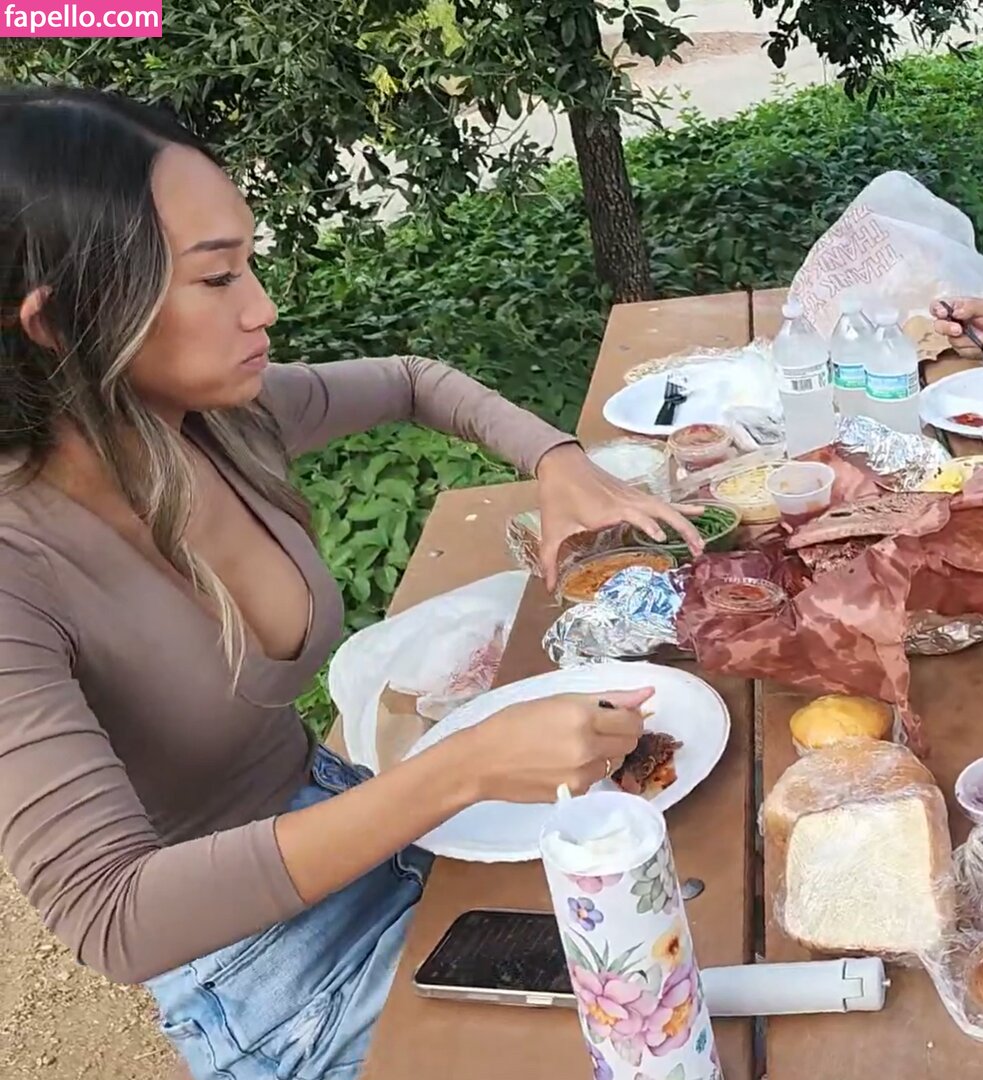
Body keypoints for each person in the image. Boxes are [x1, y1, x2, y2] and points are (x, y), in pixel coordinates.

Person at [0, 85, 703, 1080]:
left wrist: (557, 460)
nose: (262, 307)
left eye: (249, 262)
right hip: (267, 977)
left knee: (692, 944)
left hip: (372, 829)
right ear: (59, 320)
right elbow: (112, 916)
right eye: (216, 277)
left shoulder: (218, 425)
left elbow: (416, 379)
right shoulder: (17, 569)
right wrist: (459, 769)